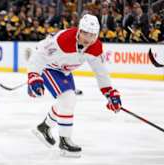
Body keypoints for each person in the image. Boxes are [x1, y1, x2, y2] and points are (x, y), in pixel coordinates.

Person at [28, 14, 122, 157]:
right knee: (67, 99)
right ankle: (65, 141)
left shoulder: (95, 47)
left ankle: (44, 127)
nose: (88, 39)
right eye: (85, 33)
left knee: (67, 102)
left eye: (92, 35)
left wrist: (109, 92)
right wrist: (34, 75)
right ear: (79, 31)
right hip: (49, 67)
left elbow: (101, 72)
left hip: (64, 70)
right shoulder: (63, 39)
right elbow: (39, 55)